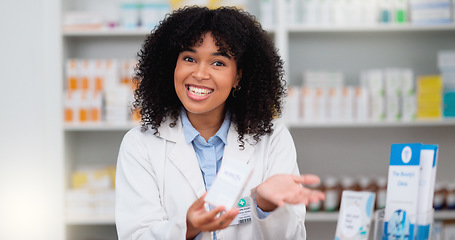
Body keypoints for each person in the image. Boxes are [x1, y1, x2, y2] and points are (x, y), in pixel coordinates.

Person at [115, 6, 325, 240]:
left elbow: (293, 235)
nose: (200, 73)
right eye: (189, 58)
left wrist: (265, 205)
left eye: (218, 63)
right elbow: (136, 235)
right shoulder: (140, 144)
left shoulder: (272, 138)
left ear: (238, 77)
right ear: (171, 66)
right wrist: (188, 225)